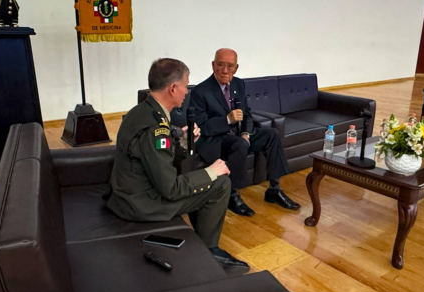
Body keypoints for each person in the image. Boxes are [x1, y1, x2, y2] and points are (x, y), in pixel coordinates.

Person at [106, 58, 248, 268]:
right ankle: (208, 252)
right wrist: (211, 171)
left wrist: (182, 140)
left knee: (200, 177)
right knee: (220, 183)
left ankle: (199, 244)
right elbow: (171, 189)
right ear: (173, 88)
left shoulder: (143, 111)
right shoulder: (156, 128)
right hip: (141, 204)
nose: (187, 92)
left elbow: (154, 155)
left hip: (128, 194)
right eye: (185, 86)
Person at [190, 48, 300, 217]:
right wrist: (227, 119)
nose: (225, 70)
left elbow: (246, 113)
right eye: (220, 65)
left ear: (236, 68)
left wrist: (246, 133)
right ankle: (231, 195)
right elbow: (202, 127)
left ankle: (274, 189)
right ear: (213, 65)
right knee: (239, 144)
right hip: (216, 139)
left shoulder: (238, 84)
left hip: (239, 136)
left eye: (230, 66)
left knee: (272, 135)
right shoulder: (200, 91)